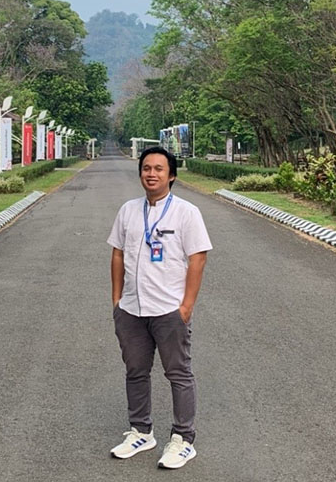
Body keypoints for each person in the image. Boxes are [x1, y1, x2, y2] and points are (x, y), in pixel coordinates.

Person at [107, 146, 212, 469]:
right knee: (135, 371)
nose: (151, 174)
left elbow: (198, 257)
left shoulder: (186, 212)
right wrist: (116, 300)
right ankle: (141, 431)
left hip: (169, 310)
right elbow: (117, 254)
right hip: (132, 310)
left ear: (172, 176)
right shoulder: (128, 210)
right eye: (146, 168)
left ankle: (183, 438)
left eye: (158, 169)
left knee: (178, 373)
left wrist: (186, 306)